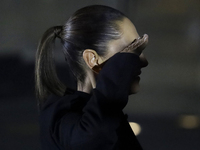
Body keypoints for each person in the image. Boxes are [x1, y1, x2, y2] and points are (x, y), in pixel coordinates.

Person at [35, 5, 148, 150]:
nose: (143, 61)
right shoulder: (62, 117)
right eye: (131, 50)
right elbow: (90, 140)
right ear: (92, 59)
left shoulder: (108, 114)